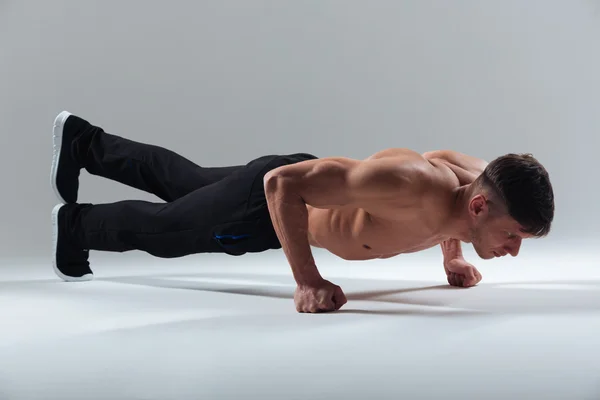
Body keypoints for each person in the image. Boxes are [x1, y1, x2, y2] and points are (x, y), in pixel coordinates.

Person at [50, 111, 555, 313]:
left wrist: (450, 259)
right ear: (481, 205)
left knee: (182, 180)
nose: (510, 251)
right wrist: (308, 280)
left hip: (301, 181)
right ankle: (73, 228)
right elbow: (280, 185)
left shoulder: (477, 181)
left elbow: (454, 211)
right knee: (168, 230)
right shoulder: (411, 182)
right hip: (272, 205)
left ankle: (84, 141)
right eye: (512, 237)